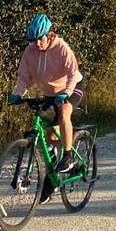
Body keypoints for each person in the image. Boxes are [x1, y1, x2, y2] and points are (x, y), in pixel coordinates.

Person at [9, 13, 86, 176]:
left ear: (48, 35)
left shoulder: (61, 48)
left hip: (72, 87)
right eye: (33, 40)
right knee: (49, 134)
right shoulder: (30, 52)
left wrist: (66, 92)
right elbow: (25, 78)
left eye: (40, 39)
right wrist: (17, 93)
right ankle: (52, 179)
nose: (37, 43)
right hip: (51, 94)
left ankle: (67, 156)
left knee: (64, 111)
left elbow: (73, 74)